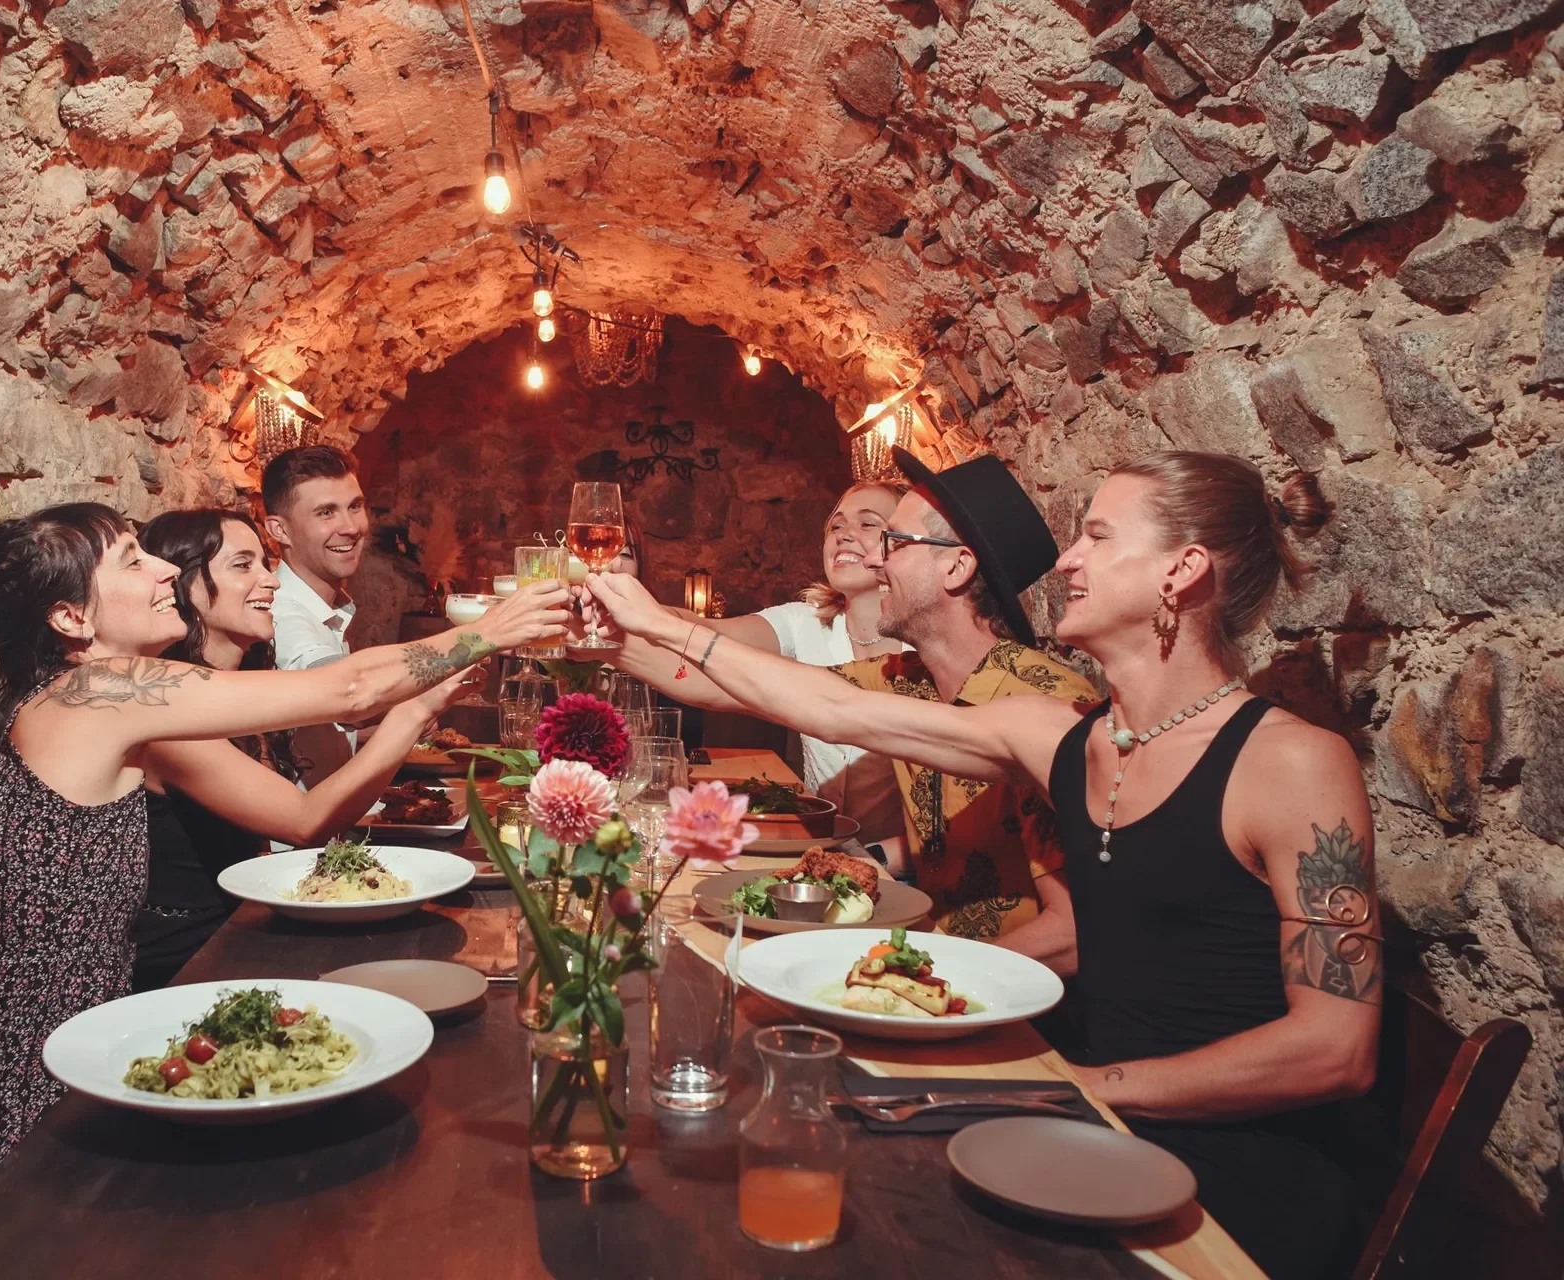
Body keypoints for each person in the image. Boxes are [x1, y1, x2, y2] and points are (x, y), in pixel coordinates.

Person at [588, 451, 1373, 1280]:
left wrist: (1080, 1084)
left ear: (1181, 572)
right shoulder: (1063, 735)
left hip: (1227, 1181)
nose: (1067, 560)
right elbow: (829, 705)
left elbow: (1334, 1048)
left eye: (1098, 537)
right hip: (1084, 1132)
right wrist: (655, 624)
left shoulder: (1293, 763)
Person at [0, 503, 569, 1276]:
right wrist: (492, 628)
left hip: (64, 1093)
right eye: (132, 560)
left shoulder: (87, 704)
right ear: (71, 617)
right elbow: (348, 689)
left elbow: (312, 792)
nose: (165, 569)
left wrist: (422, 700)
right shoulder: (97, 693)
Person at [624, 457, 1095, 959]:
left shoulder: (1041, 700)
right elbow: (746, 689)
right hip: (924, 946)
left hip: (1019, 1009)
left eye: (893, 542)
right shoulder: (904, 678)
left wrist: (921, 980)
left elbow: (1076, 932)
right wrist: (594, 639)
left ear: (957, 567)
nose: (875, 560)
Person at [128, 509, 477, 991]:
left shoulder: (243, 688)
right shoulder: (167, 714)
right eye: (242, 565)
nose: (270, 581)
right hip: (192, 967)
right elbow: (306, 820)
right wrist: (414, 711)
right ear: (185, 585)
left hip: (251, 933)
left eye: (264, 564)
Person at [609, 481, 912, 854]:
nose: (845, 535)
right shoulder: (805, 622)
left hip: (906, 872)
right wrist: (618, 615)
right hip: (818, 849)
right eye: (836, 526)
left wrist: (874, 862)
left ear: (904, 544)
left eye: (868, 524)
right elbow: (712, 634)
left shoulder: (925, 643)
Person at [262, 445, 371, 786]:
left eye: (355, 506)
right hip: (297, 839)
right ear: (279, 531)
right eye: (326, 513)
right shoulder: (279, 613)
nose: (351, 527)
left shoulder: (327, 607)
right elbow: (346, 692)